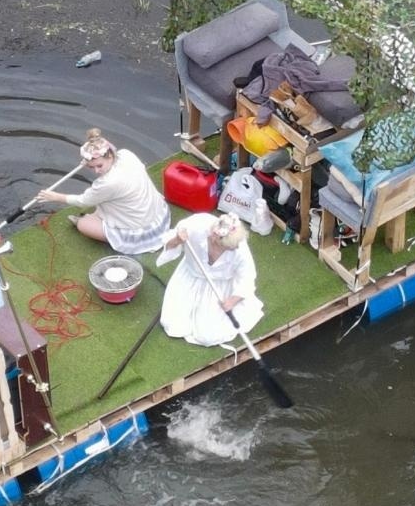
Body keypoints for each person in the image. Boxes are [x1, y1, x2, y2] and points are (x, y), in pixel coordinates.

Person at [35, 128, 171, 254]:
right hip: (156, 213)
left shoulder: (107, 183)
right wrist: (90, 162)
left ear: (110, 156)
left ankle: (95, 225)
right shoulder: (126, 154)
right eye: (91, 167)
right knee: (101, 205)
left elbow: (83, 201)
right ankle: (99, 219)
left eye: (99, 166)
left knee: (83, 224)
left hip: (141, 228)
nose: (96, 171)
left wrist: (55, 197)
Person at [159, 212, 264, 347]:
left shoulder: (239, 247)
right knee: (173, 325)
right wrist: (177, 240)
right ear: (215, 239)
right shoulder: (196, 225)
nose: (236, 248)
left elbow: (247, 278)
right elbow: (168, 245)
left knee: (207, 337)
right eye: (229, 248)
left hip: (219, 286)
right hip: (191, 277)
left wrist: (232, 301)